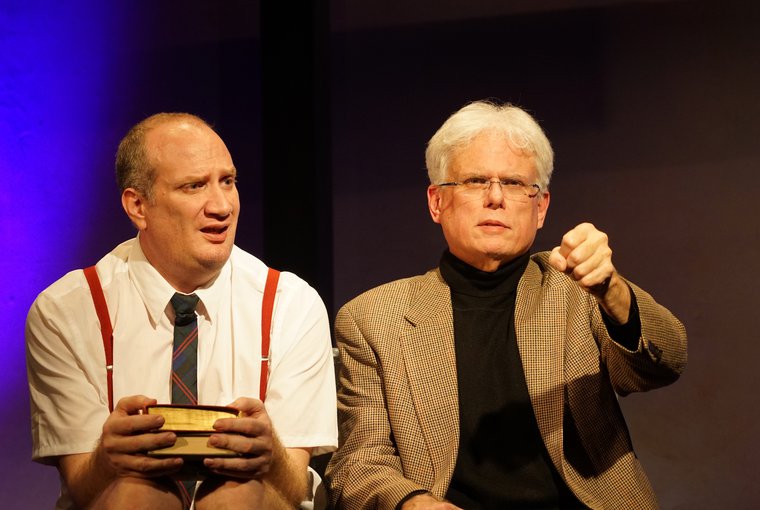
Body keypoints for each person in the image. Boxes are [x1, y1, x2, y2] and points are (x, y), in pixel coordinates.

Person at [325, 100, 687, 509]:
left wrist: (612, 290)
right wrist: (415, 503)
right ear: (436, 202)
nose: (495, 197)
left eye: (514, 183)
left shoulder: (576, 289)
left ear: (540, 208)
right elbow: (358, 462)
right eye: (476, 180)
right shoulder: (373, 318)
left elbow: (665, 363)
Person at [26, 112, 338, 509]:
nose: (222, 206)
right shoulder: (67, 311)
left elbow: (292, 489)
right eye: (194, 186)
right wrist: (106, 458)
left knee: (235, 498)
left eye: (228, 181)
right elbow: (83, 489)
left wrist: (271, 454)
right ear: (138, 206)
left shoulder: (290, 303)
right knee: (138, 496)